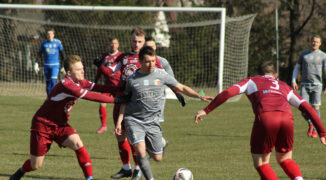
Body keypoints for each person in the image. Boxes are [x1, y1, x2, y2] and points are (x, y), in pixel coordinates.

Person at [195, 61, 326, 180]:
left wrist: (206, 110)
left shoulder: (251, 80)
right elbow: (307, 108)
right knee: (285, 159)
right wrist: (322, 132)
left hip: (266, 118)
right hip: (287, 119)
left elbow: (228, 93)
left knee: (262, 163)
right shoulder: (283, 86)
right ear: (276, 75)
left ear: (258, 73)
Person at [9, 55, 128, 180]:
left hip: (60, 124)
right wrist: (116, 99)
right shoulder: (67, 85)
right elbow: (91, 96)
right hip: (42, 125)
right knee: (35, 164)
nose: (83, 71)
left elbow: (99, 87)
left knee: (78, 143)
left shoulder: (80, 82)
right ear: (69, 72)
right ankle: (19, 173)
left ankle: (89, 178)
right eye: (78, 69)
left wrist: (119, 88)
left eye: (82, 68)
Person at [94, 28, 184, 180]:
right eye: (134, 41)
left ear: (144, 42)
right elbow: (110, 72)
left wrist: (177, 93)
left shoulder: (149, 59)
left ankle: (138, 168)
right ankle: (126, 168)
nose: (136, 44)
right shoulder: (123, 57)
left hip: (138, 103)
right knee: (120, 135)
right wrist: (100, 65)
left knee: (135, 139)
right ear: (130, 41)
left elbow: (165, 78)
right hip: (122, 99)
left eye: (140, 41)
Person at [114, 46, 213, 180]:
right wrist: (120, 122)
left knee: (157, 157)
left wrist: (199, 96)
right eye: (148, 61)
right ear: (140, 61)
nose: (151, 64)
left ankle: (161, 143)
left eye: (153, 61)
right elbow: (125, 101)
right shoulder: (131, 79)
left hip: (152, 121)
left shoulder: (161, 74)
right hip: (134, 120)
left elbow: (181, 87)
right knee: (140, 150)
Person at [144, 36, 181, 152]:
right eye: (147, 46)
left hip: (158, 98)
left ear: (155, 47)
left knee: (153, 123)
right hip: (142, 98)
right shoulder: (140, 61)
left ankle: (156, 148)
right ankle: (161, 143)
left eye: (152, 46)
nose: (150, 48)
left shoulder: (163, 62)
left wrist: (178, 93)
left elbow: (171, 79)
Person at [292, 34, 326, 138]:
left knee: (316, 107)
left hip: (317, 85)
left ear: (320, 44)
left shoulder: (323, 55)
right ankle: (311, 123)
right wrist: (293, 80)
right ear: (310, 42)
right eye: (313, 41)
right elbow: (297, 67)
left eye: (316, 42)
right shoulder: (304, 54)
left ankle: (315, 130)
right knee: (303, 109)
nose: (314, 43)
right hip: (304, 85)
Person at [94, 37, 122, 134]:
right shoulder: (104, 56)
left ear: (118, 45)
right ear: (109, 45)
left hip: (117, 85)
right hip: (107, 85)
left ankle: (119, 127)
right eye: (111, 43)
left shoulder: (121, 56)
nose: (113, 45)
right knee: (102, 103)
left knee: (119, 106)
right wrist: (96, 81)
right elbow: (100, 69)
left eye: (115, 43)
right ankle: (104, 126)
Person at [39, 28, 65, 95]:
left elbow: (62, 54)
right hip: (46, 65)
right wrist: (36, 63)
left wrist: (64, 65)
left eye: (50, 34)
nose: (49, 35)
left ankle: (53, 97)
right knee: (47, 83)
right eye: (48, 34)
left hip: (55, 65)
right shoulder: (44, 44)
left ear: (53, 35)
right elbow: (39, 54)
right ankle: (49, 98)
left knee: (53, 82)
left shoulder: (58, 43)